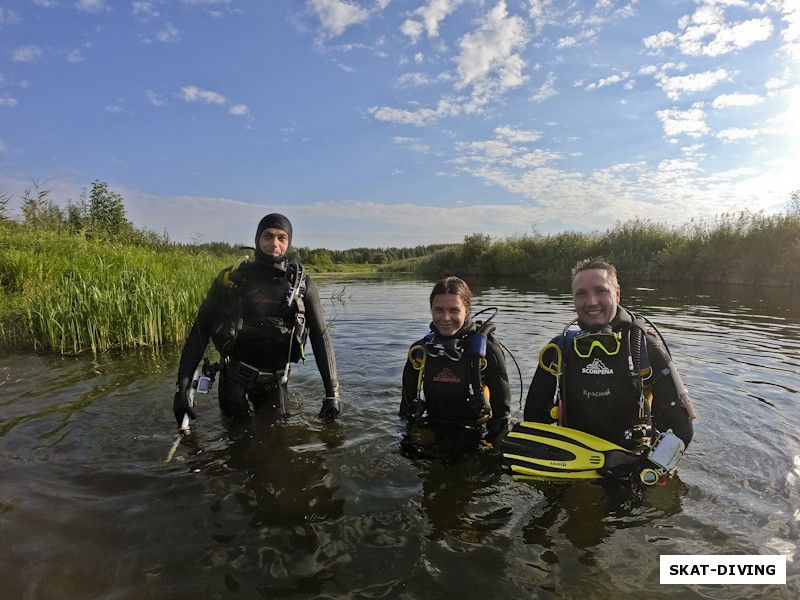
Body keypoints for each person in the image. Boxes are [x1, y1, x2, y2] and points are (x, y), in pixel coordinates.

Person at [172, 213, 340, 426]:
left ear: (289, 242)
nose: (274, 243)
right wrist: (182, 389)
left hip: (276, 384)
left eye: (281, 238)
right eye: (267, 236)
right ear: (257, 238)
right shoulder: (231, 279)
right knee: (235, 446)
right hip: (233, 381)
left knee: (276, 447)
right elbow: (200, 331)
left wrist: (332, 393)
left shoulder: (303, 286)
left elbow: (320, 337)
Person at [523, 257, 695, 452]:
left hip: (631, 464)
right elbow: (533, 419)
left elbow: (681, 430)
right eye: (581, 294)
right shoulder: (559, 349)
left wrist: (650, 468)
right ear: (573, 299)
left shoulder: (644, 348)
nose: (591, 302)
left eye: (601, 291)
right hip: (572, 463)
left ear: (617, 294)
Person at [400, 276, 512, 458]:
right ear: (431, 310)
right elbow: (405, 408)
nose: (445, 318)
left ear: (466, 310)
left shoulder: (487, 351)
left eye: (454, 310)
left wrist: (493, 448)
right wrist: (407, 440)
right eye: (438, 310)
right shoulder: (420, 352)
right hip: (434, 431)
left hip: (477, 437)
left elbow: (502, 413)